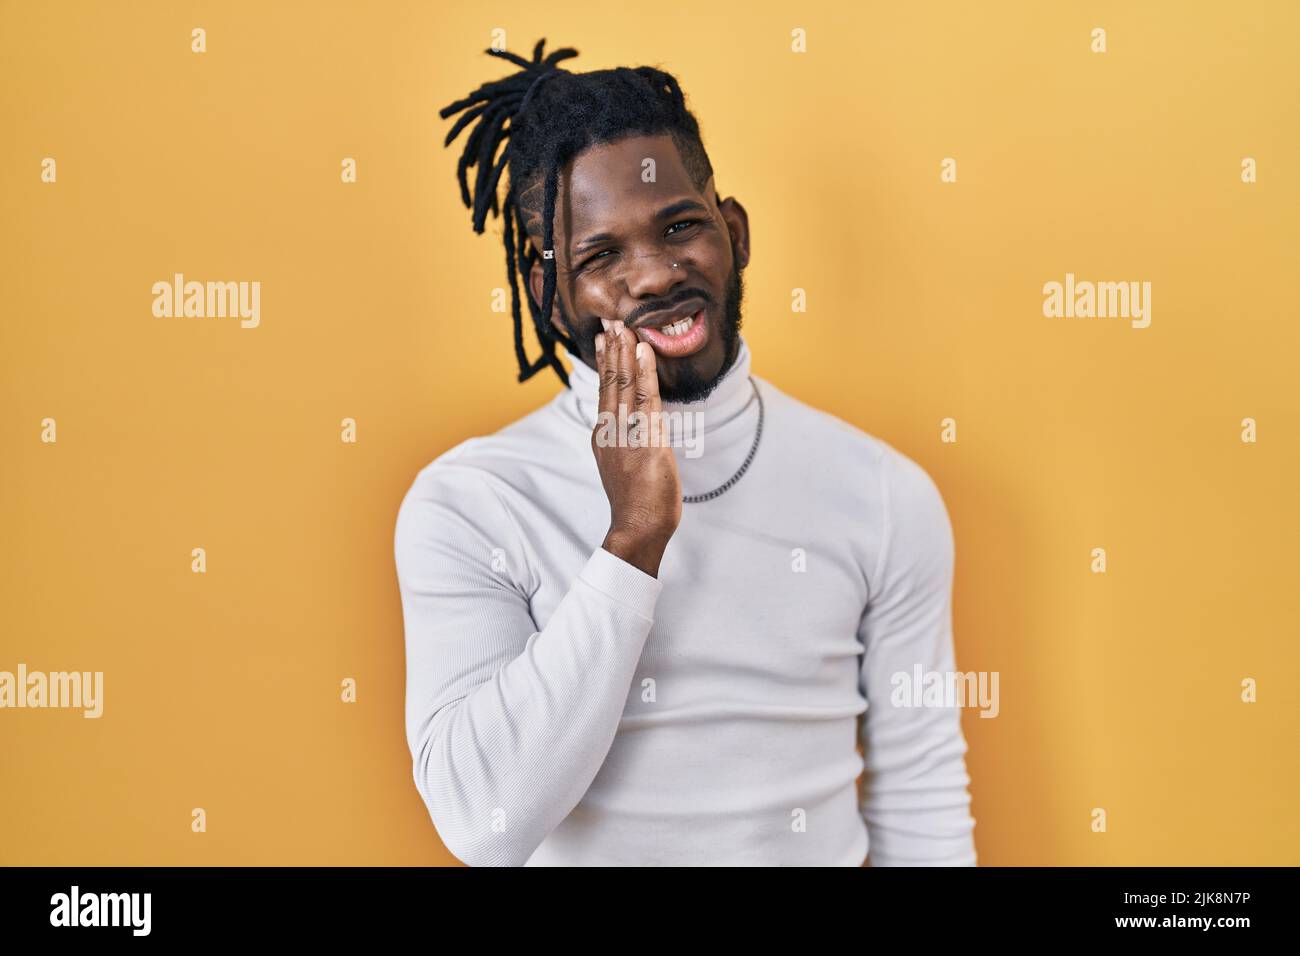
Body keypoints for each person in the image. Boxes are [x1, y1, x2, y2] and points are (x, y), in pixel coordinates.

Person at [394, 38, 977, 866]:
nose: (657, 277)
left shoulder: (882, 493)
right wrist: (632, 539)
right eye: (601, 257)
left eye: (680, 227)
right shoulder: (471, 503)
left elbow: (922, 802)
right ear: (545, 293)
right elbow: (481, 825)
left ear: (733, 233)